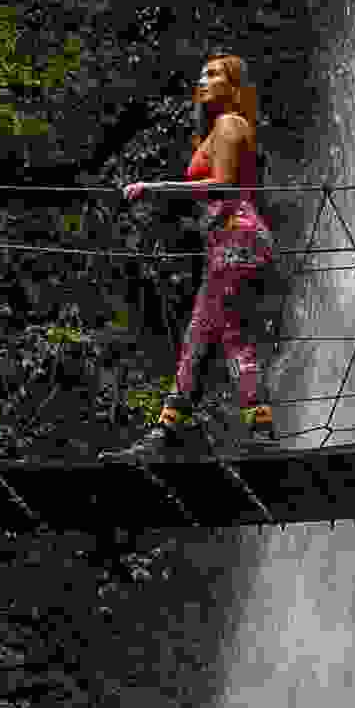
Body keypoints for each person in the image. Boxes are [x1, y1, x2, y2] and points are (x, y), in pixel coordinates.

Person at [133, 51, 277, 448]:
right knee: (204, 335)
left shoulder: (231, 123)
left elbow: (224, 186)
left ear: (233, 87)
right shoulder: (219, 129)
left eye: (213, 75)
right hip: (227, 242)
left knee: (227, 335)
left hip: (237, 240)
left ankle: (255, 429)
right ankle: (169, 428)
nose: (202, 80)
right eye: (201, 74)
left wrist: (156, 188)